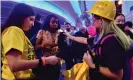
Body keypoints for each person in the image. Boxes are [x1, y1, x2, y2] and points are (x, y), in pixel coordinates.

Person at [64, 1, 133, 80]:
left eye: (93, 20)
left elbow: (118, 75)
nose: (92, 23)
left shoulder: (111, 41)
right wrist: (70, 37)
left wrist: (92, 64)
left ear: (101, 20)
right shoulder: (101, 37)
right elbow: (84, 40)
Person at [1, 3, 59, 80]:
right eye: (31, 19)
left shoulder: (20, 33)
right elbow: (14, 64)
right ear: (21, 16)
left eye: (34, 20)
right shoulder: (14, 30)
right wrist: (45, 60)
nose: (33, 24)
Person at [35, 14, 61, 80]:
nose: (55, 24)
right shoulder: (42, 32)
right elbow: (35, 47)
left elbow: (63, 47)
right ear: (48, 22)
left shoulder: (60, 33)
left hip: (56, 62)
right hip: (45, 62)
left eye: (57, 22)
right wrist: (42, 45)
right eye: (53, 22)